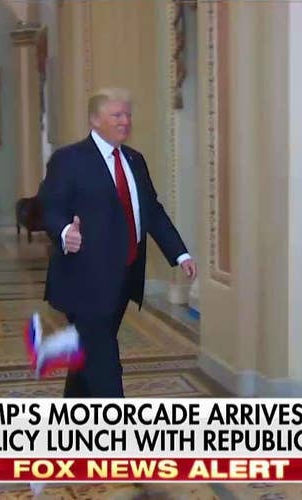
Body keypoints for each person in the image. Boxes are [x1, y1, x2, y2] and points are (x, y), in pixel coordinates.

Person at [37, 87, 196, 398]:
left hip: (124, 278)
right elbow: (50, 207)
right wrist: (64, 230)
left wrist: (180, 253)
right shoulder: (69, 159)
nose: (125, 121)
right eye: (117, 115)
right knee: (106, 364)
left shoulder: (135, 160)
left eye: (128, 115)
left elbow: (152, 210)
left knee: (91, 353)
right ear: (95, 120)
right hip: (84, 280)